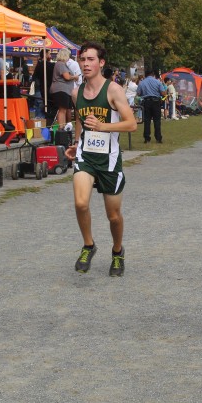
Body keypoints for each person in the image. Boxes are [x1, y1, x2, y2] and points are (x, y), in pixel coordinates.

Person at [64, 42, 137, 277]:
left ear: (101, 62)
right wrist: (77, 143)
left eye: (91, 59)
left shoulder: (113, 90)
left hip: (109, 159)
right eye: (82, 59)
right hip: (85, 156)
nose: (85, 64)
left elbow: (131, 124)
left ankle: (117, 251)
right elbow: (79, 119)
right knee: (80, 203)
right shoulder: (76, 93)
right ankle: (88, 245)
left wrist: (102, 126)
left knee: (113, 215)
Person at [50, 48, 80, 127]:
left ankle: (62, 127)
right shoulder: (61, 64)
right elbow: (67, 77)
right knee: (62, 110)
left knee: (63, 110)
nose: (69, 58)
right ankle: (61, 127)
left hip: (63, 90)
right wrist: (75, 77)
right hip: (61, 90)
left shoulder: (59, 64)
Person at [136, 69, 166, 143]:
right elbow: (163, 93)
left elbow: (138, 93)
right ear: (153, 74)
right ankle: (158, 138)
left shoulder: (142, 83)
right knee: (157, 121)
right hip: (156, 102)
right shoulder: (157, 82)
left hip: (146, 102)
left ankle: (147, 138)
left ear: (145, 74)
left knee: (147, 121)